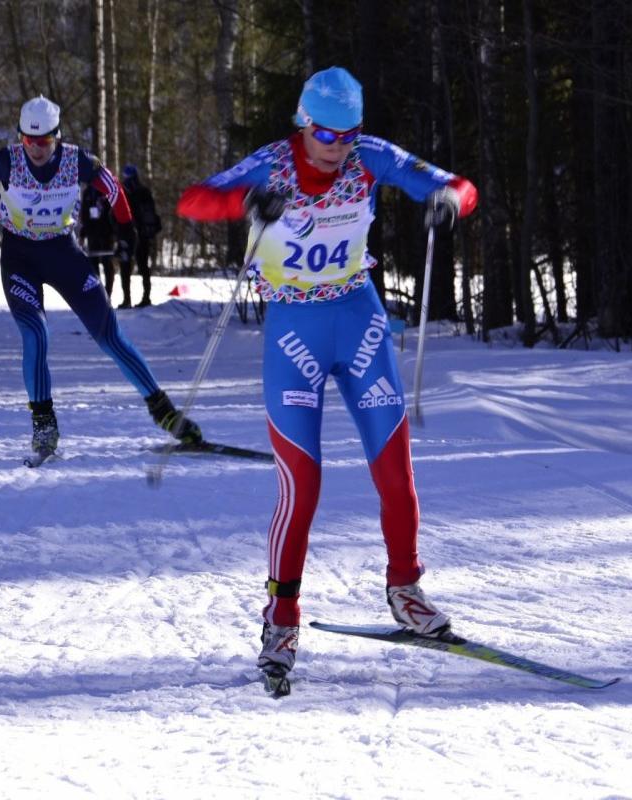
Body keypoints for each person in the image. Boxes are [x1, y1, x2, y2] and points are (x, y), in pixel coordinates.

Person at [177, 67, 478, 684]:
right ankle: (281, 615)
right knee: (303, 482)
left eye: (347, 134)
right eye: (324, 133)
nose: (336, 147)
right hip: (295, 333)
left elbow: (453, 184)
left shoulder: (368, 157)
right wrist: (247, 202)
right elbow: (194, 199)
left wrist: (448, 200)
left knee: (395, 469)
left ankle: (406, 591)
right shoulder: (272, 165)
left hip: (359, 321)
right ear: (302, 123)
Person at [0, 95, 202, 458]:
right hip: (20, 257)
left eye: (44, 142)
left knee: (109, 334)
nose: (35, 150)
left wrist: (127, 230)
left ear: (57, 136)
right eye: (28, 141)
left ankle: (164, 412)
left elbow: (114, 189)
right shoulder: (7, 160)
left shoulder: (77, 161)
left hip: (62, 253)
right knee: (35, 334)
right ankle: (44, 425)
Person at [121, 165, 162, 307]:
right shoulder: (141, 191)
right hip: (138, 234)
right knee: (139, 266)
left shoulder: (129, 192)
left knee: (130, 266)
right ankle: (140, 298)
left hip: (133, 234)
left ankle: (132, 299)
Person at [78, 184, 122, 299]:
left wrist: (116, 232)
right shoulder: (88, 191)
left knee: (107, 263)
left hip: (106, 233)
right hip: (92, 233)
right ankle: (98, 294)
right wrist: (82, 234)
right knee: (93, 265)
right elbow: (84, 214)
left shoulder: (107, 189)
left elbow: (115, 212)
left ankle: (108, 293)